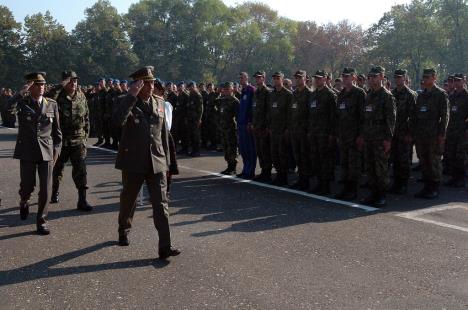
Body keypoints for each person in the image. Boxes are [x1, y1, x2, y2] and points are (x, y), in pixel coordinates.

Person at [112, 66, 180, 259]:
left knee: (161, 204)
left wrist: (168, 163)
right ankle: (123, 229)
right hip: (133, 160)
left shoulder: (159, 102)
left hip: (156, 162)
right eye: (146, 83)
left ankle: (165, 246)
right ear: (137, 84)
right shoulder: (124, 101)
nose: (151, 86)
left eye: (152, 82)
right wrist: (131, 96)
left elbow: (164, 136)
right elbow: (117, 121)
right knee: (129, 199)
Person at [6, 72, 62, 234]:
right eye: (37, 84)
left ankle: (42, 220)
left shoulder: (51, 104)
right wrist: (19, 94)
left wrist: (56, 152)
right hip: (27, 151)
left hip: (47, 152)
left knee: (46, 188)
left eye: (43, 84)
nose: (41, 87)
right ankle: (24, 201)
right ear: (30, 87)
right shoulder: (22, 103)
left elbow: (57, 133)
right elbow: (6, 109)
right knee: (27, 186)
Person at [47, 71, 93, 211]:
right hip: (61, 141)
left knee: (81, 170)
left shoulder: (81, 96)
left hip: (78, 140)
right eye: (70, 81)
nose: (73, 83)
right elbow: (46, 100)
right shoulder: (56, 97)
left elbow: (86, 117)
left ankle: (82, 200)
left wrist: (85, 137)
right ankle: (54, 192)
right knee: (57, 169)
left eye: (75, 81)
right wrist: (59, 86)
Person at [357, 66, 396, 207]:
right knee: (370, 167)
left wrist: (388, 139)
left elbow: (391, 120)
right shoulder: (369, 95)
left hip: (380, 137)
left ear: (381, 77)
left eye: (374, 76)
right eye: (370, 76)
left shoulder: (387, 96)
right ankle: (373, 193)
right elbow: (364, 117)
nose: (371, 79)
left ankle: (382, 195)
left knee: (381, 168)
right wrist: (362, 135)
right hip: (368, 136)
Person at [411, 68, 449, 199]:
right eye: (424, 77)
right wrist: (414, 132)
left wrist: (442, 134)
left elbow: (445, 116)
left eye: (428, 77)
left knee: (434, 161)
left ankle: (435, 187)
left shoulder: (440, 94)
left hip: (433, 135)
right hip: (421, 134)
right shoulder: (421, 95)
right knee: (424, 161)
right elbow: (416, 115)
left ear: (434, 78)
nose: (425, 79)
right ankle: (427, 186)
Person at [335, 68, 366, 200]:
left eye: (347, 76)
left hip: (354, 136)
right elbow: (338, 116)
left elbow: (364, 116)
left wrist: (361, 135)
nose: (345, 79)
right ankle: (346, 189)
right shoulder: (341, 94)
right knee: (344, 164)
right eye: (343, 76)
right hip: (343, 135)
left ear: (353, 78)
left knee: (354, 165)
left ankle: (353, 190)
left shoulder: (359, 93)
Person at [307, 70, 337, 195]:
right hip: (314, 133)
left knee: (325, 160)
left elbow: (334, 116)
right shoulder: (313, 95)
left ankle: (325, 186)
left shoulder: (330, 95)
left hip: (325, 134)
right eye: (316, 78)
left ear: (325, 79)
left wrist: (332, 134)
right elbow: (310, 115)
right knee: (316, 159)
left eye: (320, 78)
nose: (317, 80)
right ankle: (319, 184)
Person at [389, 69, 417, 194]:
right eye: (396, 77)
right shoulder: (391, 93)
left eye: (400, 77)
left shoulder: (410, 94)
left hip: (404, 132)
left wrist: (410, 133)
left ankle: (403, 184)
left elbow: (414, 116)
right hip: (394, 132)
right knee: (395, 158)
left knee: (404, 159)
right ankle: (396, 182)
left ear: (405, 78)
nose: (397, 79)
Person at [288, 70, 311, 191]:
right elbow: (291, 112)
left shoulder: (309, 93)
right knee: (297, 157)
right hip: (295, 130)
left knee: (304, 157)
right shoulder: (294, 93)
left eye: (300, 77)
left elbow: (311, 114)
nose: (297, 80)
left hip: (304, 131)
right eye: (296, 78)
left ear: (305, 79)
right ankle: (301, 179)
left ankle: (306, 181)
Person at [268, 72, 292, 186]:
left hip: (283, 129)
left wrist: (287, 128)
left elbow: (290, 113)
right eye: (274, 78)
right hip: (274, 129)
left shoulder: (288, 94)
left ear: (282, 79)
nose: (276, 80)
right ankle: (278, 174)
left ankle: (284, 177)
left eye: (278, 78)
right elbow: (269, 112)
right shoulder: (272, 94)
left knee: (283, 154)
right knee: (274, 153)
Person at [444, 73, 468, 188]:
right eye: (455, 80)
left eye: (459, 80)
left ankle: (461, 179)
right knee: (451, 154)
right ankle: (454, 178)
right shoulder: (452, 96)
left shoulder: (466, 96)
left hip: (462, 130)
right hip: (452, 130)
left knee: (460, 156)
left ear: (464, 81)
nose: (456, 82)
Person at [251, 71, 272, 182]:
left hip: (263, 127)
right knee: (259, 150)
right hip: (257, 126)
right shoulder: (256, 92)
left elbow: (269, 111)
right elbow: (254, 109)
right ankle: (263, 171)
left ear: (263, 78)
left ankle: (267, 172)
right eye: (256, 77)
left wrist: (267, 126)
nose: (257, 79)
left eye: (259, 77)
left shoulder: (267, 92)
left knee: (265, 150)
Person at [237, 72, 256, 179]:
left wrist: (250, 121)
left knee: (250, 148)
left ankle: (250, 171)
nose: (241, 80)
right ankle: (245, 169)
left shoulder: (251, 90)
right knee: (243, 149)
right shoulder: (243, 91)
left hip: (247, 124)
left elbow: (252, 108)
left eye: (242, 78)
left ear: (247, 78)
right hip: (241, 123)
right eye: (240, 78)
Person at [218, 82, 240, 175]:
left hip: (231, 128)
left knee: (232, 148)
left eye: (228, 89)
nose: (226, 91)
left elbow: (237, 116)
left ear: (232, 89)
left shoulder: (235, 101)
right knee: (226, 148)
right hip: (223, 128)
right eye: (225, 89)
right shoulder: (223, 100)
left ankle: (233, 168)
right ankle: (229, 166)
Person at [186, 81, 203, 157]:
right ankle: (193, 150)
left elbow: (201, 108)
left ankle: (197, 151)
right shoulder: (191, 95)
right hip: (191, 118)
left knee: (196, 135)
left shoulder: (197, 95)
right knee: (192, 135)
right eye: (189, 87)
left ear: (194, 86)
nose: (190, 88)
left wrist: (199, 118)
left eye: (191, 87)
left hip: (196, 119)